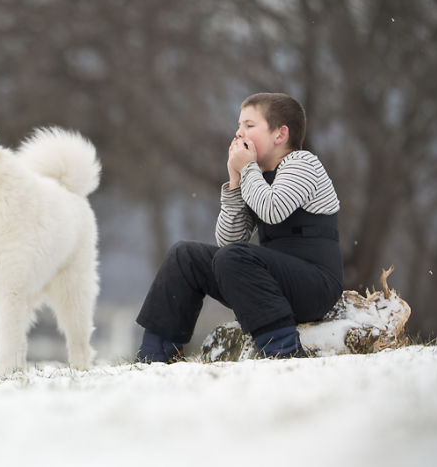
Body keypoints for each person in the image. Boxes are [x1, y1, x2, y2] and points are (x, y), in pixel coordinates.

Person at [135, 92, 343, 361]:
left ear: (280, 135)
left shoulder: (303, 163)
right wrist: (235, 182)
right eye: (239, 125)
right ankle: (156, 353)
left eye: (249, 125)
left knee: (233, 257)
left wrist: (247, 170)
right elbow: (229, 243)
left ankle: (282, 350)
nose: (239, 133)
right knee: (184, 255)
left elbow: (273, 210)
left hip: (314, 287)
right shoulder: (256, 175)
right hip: (272, 284)